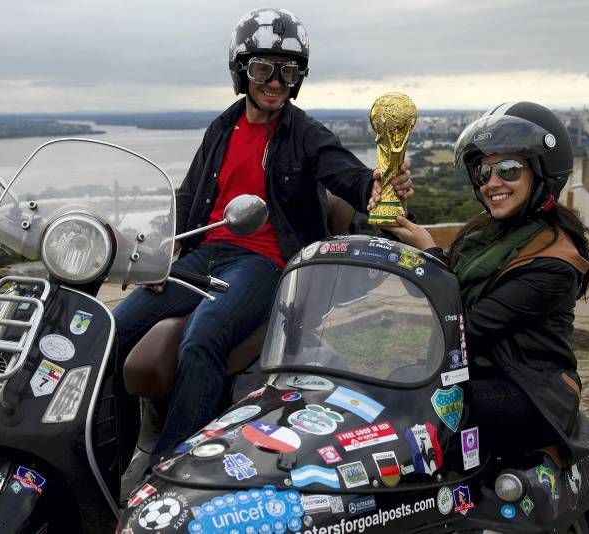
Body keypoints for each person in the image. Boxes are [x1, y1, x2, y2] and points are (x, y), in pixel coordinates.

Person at [113, 7, 413, 457]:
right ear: (242, 71)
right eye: (262, 69)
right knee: (114, 329)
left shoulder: (304, 134)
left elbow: (343, 172)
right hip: (203, 255)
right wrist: (161, 251)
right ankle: (109, 451)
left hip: (264, 263)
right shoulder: (221, 128)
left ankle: (170, 464)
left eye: (287, 72)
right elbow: (189, 197)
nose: (275, 81)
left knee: (202, 339)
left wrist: (377, 183)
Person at [388, 101, 589, 463]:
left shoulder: (555, 264)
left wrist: (429, 249)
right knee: (393, 382)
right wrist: (395, 221)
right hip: (479, 373)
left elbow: (466, 327)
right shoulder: (486, 236)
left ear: (542, 173)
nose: (493, 183)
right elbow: (437, 282)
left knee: (424, 400)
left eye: (509, 169)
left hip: (529, 389)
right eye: (484, 172)